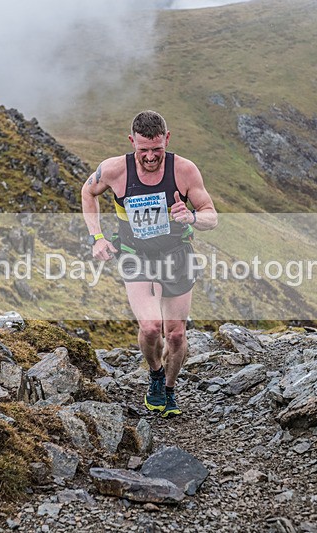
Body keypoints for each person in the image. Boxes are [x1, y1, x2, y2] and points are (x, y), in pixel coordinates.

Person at [81, 110, 218, 418]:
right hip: (135, 255)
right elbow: (88, 192)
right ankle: (155, 373)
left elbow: (211, 215)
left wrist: (192, 216)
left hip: (177, 255)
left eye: (157, 149)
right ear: (132, 142)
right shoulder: (114, 170)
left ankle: (169, 388)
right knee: (151, 327)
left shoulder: (184, 170)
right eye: (144, 150)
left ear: (167, 139)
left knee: (176, 334)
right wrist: (97, 238)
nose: (151, 156)